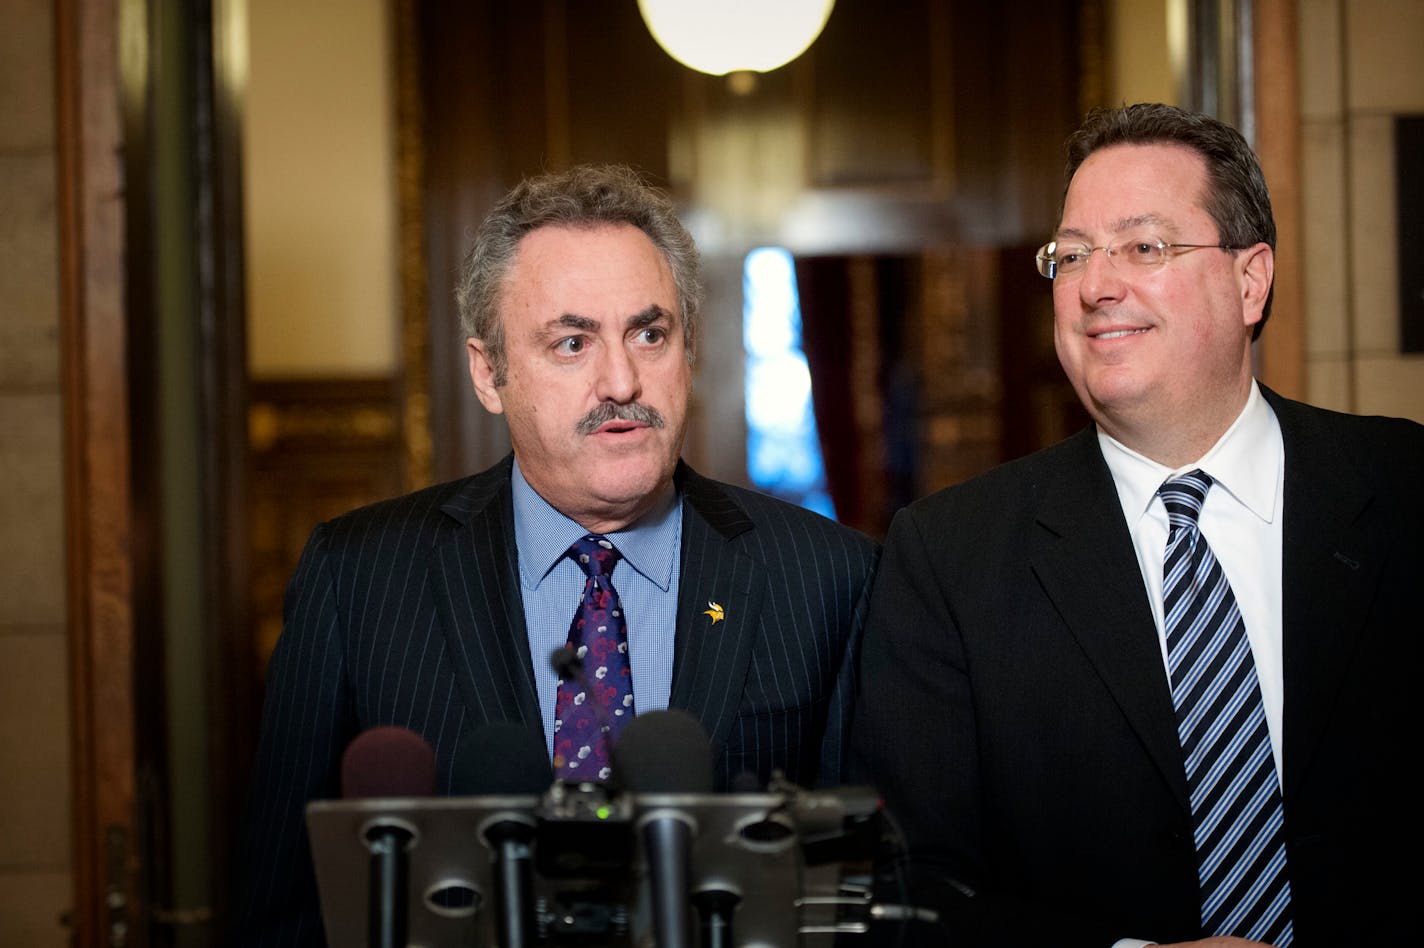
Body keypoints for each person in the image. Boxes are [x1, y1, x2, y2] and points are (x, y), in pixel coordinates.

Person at [232, 163, 880, 945]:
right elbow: (282, 908)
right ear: (489, 372)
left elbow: (860, 897)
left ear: (689, 349)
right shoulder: (358, 577)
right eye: (572, 343)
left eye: (650, 333)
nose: (620, 379)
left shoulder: (827, 578)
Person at [852, 102, 1421, 948]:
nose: (1094, 284)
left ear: (1249, 279)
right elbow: (909, 887)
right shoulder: (949, 556)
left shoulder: (1403, 489)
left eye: (1145, 247)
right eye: (1072, 254)